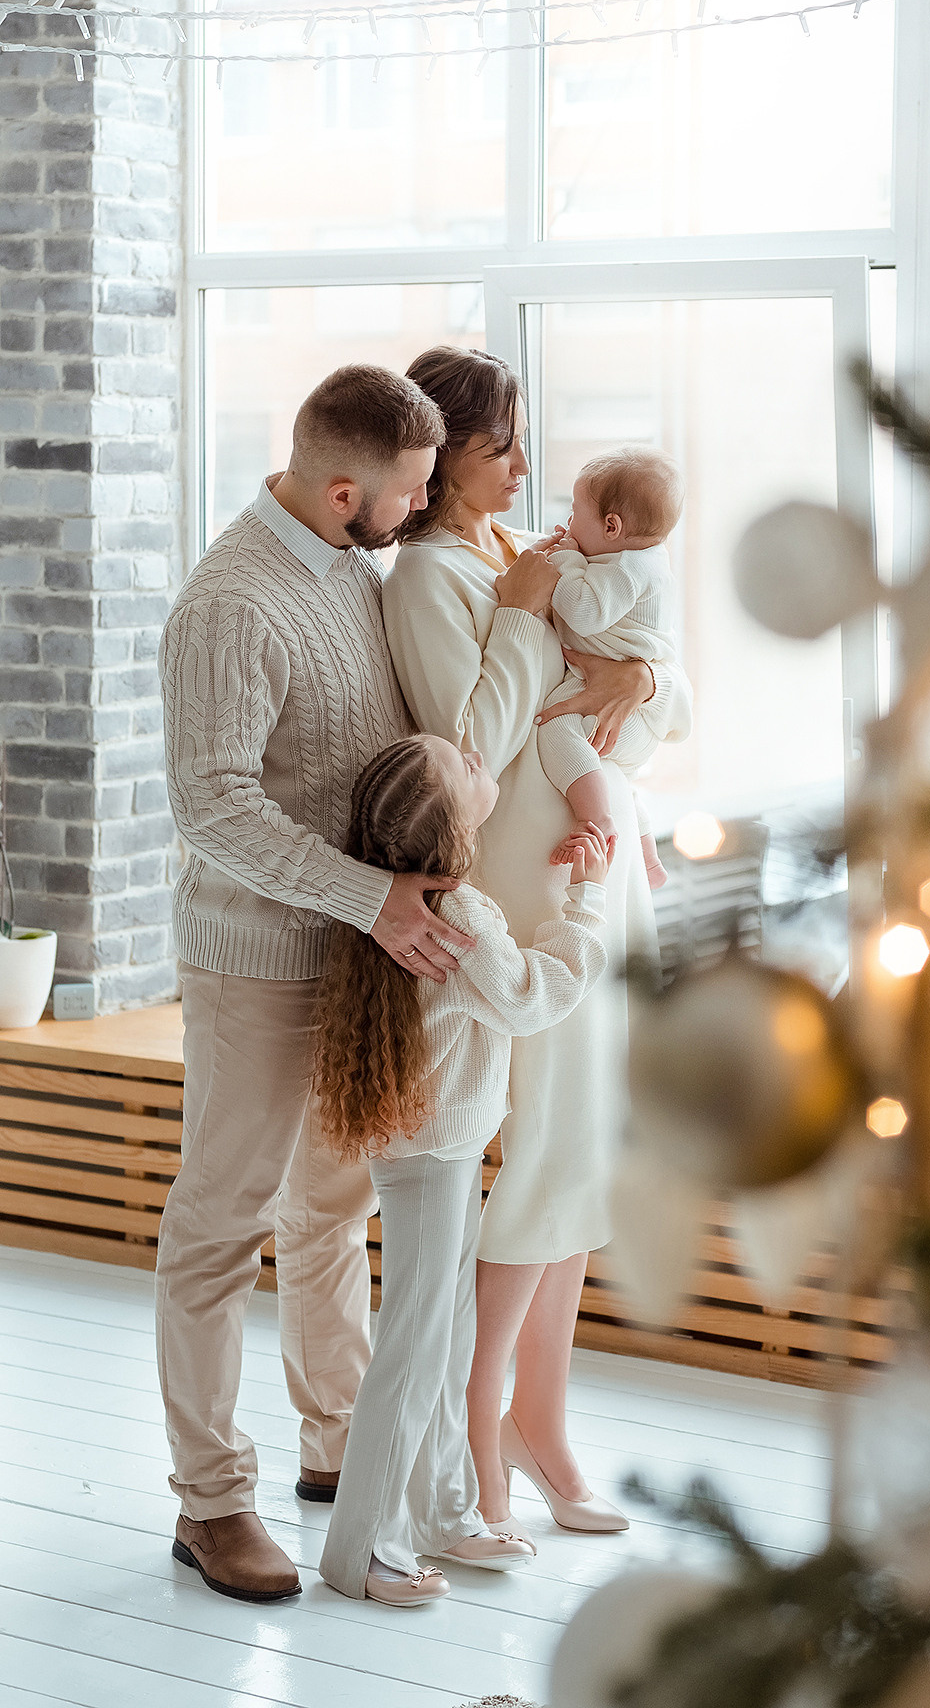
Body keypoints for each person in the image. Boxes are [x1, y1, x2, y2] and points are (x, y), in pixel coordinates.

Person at [155, 364, 476, 1605]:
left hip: (355, 957)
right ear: (342, 488)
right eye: (405, 495)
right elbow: (212, 808)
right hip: (255, 961)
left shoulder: (355, 566)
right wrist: (369, 900)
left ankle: (336, 1446)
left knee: (330, 1211)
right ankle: (210, 1501)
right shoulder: (230, 603)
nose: (417, 513)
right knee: (219, 1228)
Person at [383, 346, 693, 1535]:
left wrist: (629, 671)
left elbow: (653, 701)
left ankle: (540, 1422)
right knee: (543, 1158)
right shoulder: (428, 579)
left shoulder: (527, 559)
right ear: (442, 455)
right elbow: (467, 751)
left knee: (583, 1158)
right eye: (500, 446)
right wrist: (531, 638)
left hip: (588, 872)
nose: (523, 465)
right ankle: (477, 1431)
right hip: (516, 886)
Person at [313, 735, 612, 1607]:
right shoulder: (464, 911)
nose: (484, 757)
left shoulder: (397, 900)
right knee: (412, 1343)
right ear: (453, 822)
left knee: (442, 1336)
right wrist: (585, 902)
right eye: (468, 766)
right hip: (437, 1148)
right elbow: (530, 999)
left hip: (429, 1143)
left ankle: (444, 1511)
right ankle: (359, 1548)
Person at [536, 447, 685, 892]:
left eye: (575, 511)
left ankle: (596, 819)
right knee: (616, 776)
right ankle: (648, 857)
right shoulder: (640, 558)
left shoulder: (628, 568)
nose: (569, 521)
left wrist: (564, 559)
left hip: (630, 714)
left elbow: (582, 611)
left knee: (556, 726)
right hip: (637, 714)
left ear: (611, 527)